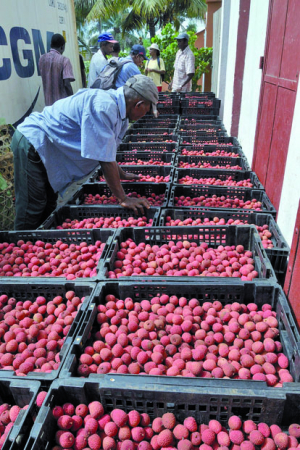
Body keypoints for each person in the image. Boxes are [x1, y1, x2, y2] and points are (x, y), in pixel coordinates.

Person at [11, 75, 158, 230]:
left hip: (50, 149)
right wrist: (123, 198)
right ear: (138, 104)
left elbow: (107, 152)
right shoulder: (104, 106)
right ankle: (18, 247)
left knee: (48, 204)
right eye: (147, 110)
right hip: (34, 142)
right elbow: (105, 160)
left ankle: (36, 244)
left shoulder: (121, 117)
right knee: (33, 207)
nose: (145, 114)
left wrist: (121, 174)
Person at [38, 33, 75, 106]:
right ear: (62, 47)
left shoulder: (41, 59)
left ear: (51, 45)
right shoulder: (64, 60)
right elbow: (67, 84)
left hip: (48, 106)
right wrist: (73, 100)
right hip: (62, 106)